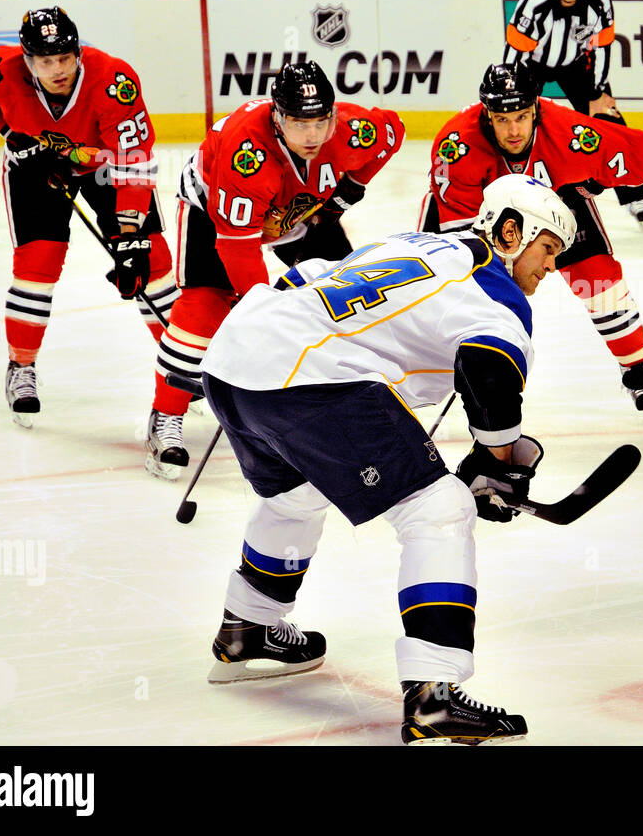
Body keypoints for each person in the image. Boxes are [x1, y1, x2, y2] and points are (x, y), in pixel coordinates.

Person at [200, 175, 577, 746]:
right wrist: (501, 463)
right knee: (440, 509)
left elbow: (305, 273)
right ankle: (433, 696)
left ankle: (248, 625)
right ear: (510, 231)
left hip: (232, 361)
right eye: (548, 248)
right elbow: (488, 371)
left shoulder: (416, 242)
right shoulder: (498, 293)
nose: (550, 268)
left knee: (294, 495)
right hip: (309, 380)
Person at [149, 61, 405, 479]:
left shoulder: (353, 129)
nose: (313, 135)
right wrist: (260, 310)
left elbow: (391, 133)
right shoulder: (244, 151)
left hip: (297, 212)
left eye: (322, 121)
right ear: (277, 116)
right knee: (206, 307)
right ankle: (166, 414)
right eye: (300, 123)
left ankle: (338, 413)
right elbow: (237, 244)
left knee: (343, 299)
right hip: (213, 212)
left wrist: (344, 196)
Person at [0, 7, 178, 430]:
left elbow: (133, 160)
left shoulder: (114, 80)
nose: (57, 69)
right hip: (35, 168)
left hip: (104, 164)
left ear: (77, 51)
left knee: (154, 265)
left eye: (64, 57)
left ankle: (183, 363)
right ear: (26, 60)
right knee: (38, 265)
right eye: (44, 60)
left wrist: (130, 238)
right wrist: (10, 135)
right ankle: (21, 367)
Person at [419, 63, 643, 411]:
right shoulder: (457, 145)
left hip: (556, 201)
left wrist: (593, 178)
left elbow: (641, 157)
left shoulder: (569, 131)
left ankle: (639, 372)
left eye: (521, 116)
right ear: (487, 115)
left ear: (536, 108)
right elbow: (461, 234)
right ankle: (432, 370)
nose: (513, 129)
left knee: (599, 283)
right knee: (443, 286)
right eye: (502, 119)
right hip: (480, 215)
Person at [503, 0, 643, 226]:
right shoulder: (535, 0)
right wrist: (512, 91)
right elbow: (514, 50)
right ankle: (514, 193)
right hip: (532, 66)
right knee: (518, 124)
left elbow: (604, 47)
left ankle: (635, 195)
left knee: (611, 123)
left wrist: (598, 94)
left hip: (575, 65)